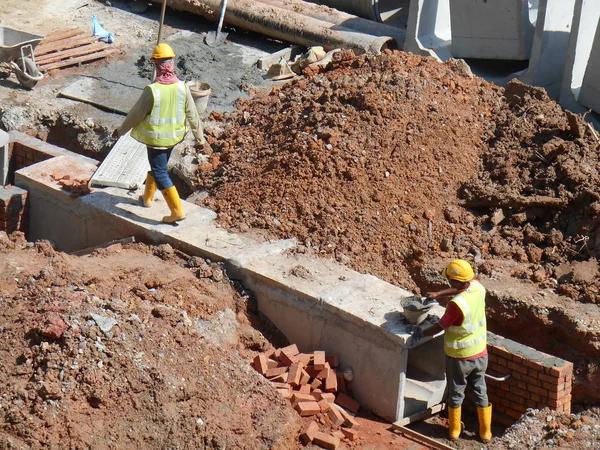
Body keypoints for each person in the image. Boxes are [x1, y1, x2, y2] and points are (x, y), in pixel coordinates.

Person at [112, 43, 206, 224]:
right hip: (174, 138)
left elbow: (136, 114)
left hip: (156, 140)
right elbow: (192, 114)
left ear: (155, 65)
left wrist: (120, 131)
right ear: (172, 64)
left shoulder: (152, 90)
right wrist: (199, 138)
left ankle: (177, 211)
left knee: (160, 171)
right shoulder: (182, 87)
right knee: (157, 167)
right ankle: (147, 199)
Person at [410, 259, 492, 443]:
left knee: (456, 393)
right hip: (480, 354)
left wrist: (420, 332)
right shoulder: (477, 288)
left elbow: (440, 326)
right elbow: (462, 288)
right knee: (480, 390)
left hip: (460, 358)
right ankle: (485, 433)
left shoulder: (456, 305)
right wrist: (439, 294)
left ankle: (454, 431)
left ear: (454, 281)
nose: (448, 283)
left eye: (449, 280)